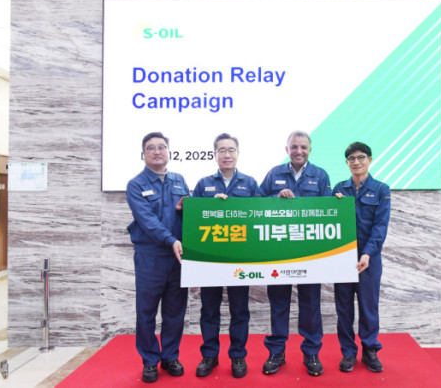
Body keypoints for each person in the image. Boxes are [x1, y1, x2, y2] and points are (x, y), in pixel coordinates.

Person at [259, 130, 332, 377]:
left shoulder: (320, 175)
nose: (299, 151)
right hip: (278, 252)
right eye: (294, 147)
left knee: (310, 305)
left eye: (303, 147)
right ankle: (276, 352)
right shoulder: (274, 174)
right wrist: (275, 197)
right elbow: (256, 204)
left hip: (309, 253)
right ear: (287, 150)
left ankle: (311, 352)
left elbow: (328, 210)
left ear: (310, 150)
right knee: (278, 303)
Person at [192, 133, 261, 379]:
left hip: (239, 258)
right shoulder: (203, 184)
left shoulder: (250, 183)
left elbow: (260, 217)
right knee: (209, 309)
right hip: (210, 259)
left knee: (239, 310)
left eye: (231, 150)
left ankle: (238, 355)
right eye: (222, 150)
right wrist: (209, 206)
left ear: (238, 154)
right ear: (215, 155)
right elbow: (193, 219)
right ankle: (209, 355)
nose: (227, 154)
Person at [126, 132, 190, 383]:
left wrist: (189, 208)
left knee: (175, 311)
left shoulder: (179, 180)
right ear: (143, 154)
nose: (157, 151)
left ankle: (170, 357)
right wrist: (170, 240)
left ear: (168, 152)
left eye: (162, 147)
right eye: (151, 148)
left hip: (177, 258)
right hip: (150, 257)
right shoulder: (136, 184)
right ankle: (150, 361)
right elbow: (147, 221)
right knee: (146, 312)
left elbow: (187, 215)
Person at [332, 142, 391, 373]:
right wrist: (332, 204)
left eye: (361, 157)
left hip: (369, 259)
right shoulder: (339, 188)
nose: (356, 162)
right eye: (351, 159)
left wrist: (367, 253)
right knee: (344, 308)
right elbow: (329, 221)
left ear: (370, 160)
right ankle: (348, 352)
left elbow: (380, 227)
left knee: (368, 307)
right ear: (347, 163)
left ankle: (370, 350)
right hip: (342, 259)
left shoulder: (381, 190)